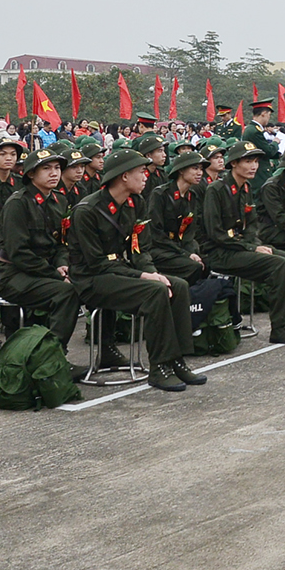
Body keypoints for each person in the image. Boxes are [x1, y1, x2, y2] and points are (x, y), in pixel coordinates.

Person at [69, 149, 206, 392]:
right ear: (123, 176)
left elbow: (140, 249)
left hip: (120, 272)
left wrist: (153, 272)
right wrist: (143, 276)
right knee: (154, 291)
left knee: (177, 285)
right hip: (92, 280)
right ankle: (160, 366)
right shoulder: (88, 210)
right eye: (140, 172)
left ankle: (177, 359)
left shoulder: (136, 203)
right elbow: (95, 263)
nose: (146, 177)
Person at [199, 140, 285, 345]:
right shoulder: (217, 189)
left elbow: (251, 225)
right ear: (233, 164)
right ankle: (280, 327)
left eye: (255, 161)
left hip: (241, 247)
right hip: (220, 252)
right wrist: (251, 247)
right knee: (278, 264)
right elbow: (216, 234)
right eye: (248, 161)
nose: (254, 166)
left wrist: (254, 244)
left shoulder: (246, 188)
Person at [0, 148, 81, 351]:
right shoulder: (18, 204)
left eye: (58, 168)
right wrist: (54, 274)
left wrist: (62, 265)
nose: (54, 173)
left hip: (43, 271)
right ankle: (52, 355)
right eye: (46, 169)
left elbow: (61, 242)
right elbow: (18, 253)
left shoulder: (59, 200)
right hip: (13, 274)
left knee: (87, 282)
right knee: (66, 293)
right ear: (31, 173)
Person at [146, 151, 208, 284]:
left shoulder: (192, 196)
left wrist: (190, 252)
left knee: (206, 263)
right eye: (195, 168)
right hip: (160, 248)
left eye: (201, 169)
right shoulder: (161, 194)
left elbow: (189, 232)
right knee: (193, 267)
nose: (200, 173)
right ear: (181, 170)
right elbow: (155, 233)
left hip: (179, 247)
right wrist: (185, 254)